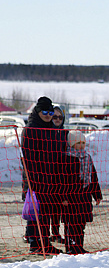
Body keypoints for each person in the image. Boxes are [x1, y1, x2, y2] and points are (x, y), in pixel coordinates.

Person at [20, 96, 68, 255]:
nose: (48, 115)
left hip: (49, 178)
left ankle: (44, 242)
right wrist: (33, 180)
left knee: (45, 213)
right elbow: (28, 158)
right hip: (36, 178)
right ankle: (36, 244)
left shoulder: (50, 129)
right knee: (36, 213)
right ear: (37, 111)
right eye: (44, 111)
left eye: (50, 112)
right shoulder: (31, 129)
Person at [64, 131, 101, 254]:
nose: (81, 145)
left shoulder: (87, 157)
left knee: (81, 223)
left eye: (83, 143)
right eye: (78, 143)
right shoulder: (67, 157)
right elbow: (62, 179)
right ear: (71, 143)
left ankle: (79, 245)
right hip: (71, 196)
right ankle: (71, 247)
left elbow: (93, 176)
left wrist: (97, 194)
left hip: (85, 196)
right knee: (71, 223)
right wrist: (63, 197)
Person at [49, 104, 67, 243]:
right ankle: (32, 234)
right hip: (46, 174)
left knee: (57, 206)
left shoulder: (65, 134)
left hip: (60, 175)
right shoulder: (45, 133)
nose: (57, 119)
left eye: (60, 117)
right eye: (54, 116)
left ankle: (55, 233)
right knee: (40, 207)